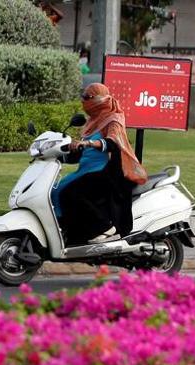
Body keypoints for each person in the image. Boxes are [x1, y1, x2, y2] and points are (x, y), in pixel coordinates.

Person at [53, 83, 147, 245]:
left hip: (107, 173)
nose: (83, 101)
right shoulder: (92, 121)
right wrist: (55, 156)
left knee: (71, 193)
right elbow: (82, 153)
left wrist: (89, 143)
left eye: (87, 98)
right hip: (87, 170)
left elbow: (112, 144)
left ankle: (105, 226)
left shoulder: (113, 119)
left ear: (100, 100)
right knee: (56, 190)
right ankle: (70, 233)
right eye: (83, 97)